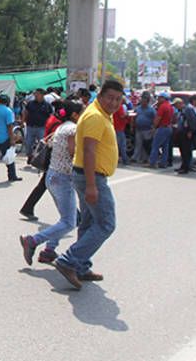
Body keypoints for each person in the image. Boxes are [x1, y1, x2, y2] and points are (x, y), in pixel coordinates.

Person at [54, 79, 123, 290]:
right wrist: (92, 186)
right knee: (106, 224)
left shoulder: (100, 114)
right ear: (100, 96)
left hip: (87, 175)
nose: (114, 103)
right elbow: (90, 150)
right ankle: (69, 260)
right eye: (110, 98)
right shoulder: (95, 116)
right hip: (91, 176)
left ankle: (81, 266)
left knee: (89, 222)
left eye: (118, 99)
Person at [20, 99, 84, 266]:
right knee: (70, 222)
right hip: (63, 178)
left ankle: (49, 251)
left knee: (68, 219)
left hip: (53, 176)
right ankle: (33, 241)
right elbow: (73, 152)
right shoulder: (72, 129)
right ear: (75, 115)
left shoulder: (62, 127)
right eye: (82, 113)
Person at [19, 99, 65, 220]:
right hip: (54, 159)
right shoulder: (58, 124)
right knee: (60, 189)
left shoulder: (53, 120)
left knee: (47, 186)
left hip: (51, 158)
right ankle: (75, 216)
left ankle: (28, 207)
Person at [23, 89, 53, 157]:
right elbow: (25, 112)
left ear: (42, 95)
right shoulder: (30, 103)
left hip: (42, 127)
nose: (36, 96)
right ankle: (29, 155)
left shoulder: (47, 105)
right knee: (28, 143)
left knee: (42, 144)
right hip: (31, 126)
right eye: (35, 94)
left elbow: (50, 116)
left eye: (37, 94)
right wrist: (23, 121)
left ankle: (38, 159)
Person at [175, 96, 196, 175]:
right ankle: (184, 166)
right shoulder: (188, 109)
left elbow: (193, 120)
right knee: (184, 150)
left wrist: (191, 131)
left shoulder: (191, 109)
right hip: (184, 132)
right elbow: (187, 120)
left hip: (188, 132)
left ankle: (186, 167)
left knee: (186, 150)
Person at [149, 91, 174, 168]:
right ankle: (163, 163)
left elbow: (158, 118)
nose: (158, 99)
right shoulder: (170, 106)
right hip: (168, 128)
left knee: (155, 145)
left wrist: (154, 127)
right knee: (165, 147)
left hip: (162, 128)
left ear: (163, 98)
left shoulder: (162, 106)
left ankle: (153, 162)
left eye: (159, 98)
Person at [131, 92, 156, 163]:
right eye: (142, 101)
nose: (143, 102)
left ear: (147, 102)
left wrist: (153, 128)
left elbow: (155, 119)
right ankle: (135, 157)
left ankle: (145, 158)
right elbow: (134, 117)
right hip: (138, 129)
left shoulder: (151, 110)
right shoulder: (138, 108)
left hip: (147, 130)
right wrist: (132, 126)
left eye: (144, 101)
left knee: (146, 145)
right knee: (138, 144)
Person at [113, 97, 130, 166]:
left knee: (117, 145)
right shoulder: (119, 107)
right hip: (119, 128)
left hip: (116, 127)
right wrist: (127, 115)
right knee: (122, 145)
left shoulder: (115, 106)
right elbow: (122, 116)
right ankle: (125, 159)